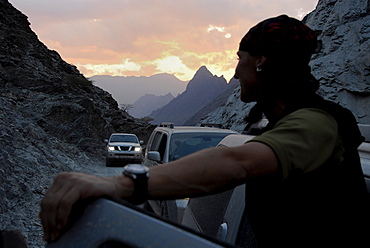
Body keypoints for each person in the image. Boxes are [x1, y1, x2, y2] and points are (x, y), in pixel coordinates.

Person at [39, 15, 369, 247]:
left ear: (261, 61)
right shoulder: (289, 122)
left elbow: (237, 162)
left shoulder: (317, 123)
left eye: (240, 58)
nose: (235, 71)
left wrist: (118, 185)